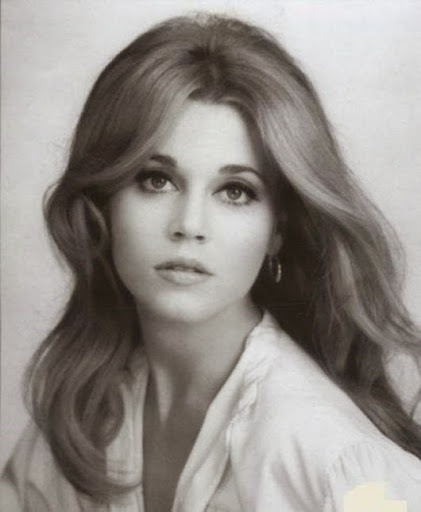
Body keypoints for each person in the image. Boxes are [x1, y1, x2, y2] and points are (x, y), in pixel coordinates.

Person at [1, 13, 421, 512]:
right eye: (156, 180)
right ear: (103, 203)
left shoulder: (335, 463)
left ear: (278, 230)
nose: (189, 224)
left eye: (235, 191)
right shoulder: (79, 416)